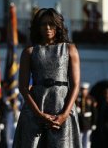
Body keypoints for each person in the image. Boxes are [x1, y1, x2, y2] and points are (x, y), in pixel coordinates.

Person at [13, 8, 82, 147]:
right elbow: (23, 87)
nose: (48, 28)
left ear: (58, 26)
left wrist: (64, 115)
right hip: (35, 110)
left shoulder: (70, 49)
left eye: (51, 24)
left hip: (63, 109)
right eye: (43, 24)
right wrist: (39, 114)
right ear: (37, 27)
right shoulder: (29, 52)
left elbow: (75, 85)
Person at [76, 82, 97, 148]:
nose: (83, 91)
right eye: (82, 89)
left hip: (88, 122)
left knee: (87, 140)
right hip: (80, 122)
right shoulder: (78, 99)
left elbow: (94, 112)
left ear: (87, 90)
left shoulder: (91, 99)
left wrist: (94, 123)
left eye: (85, 89)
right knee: (80, 139)